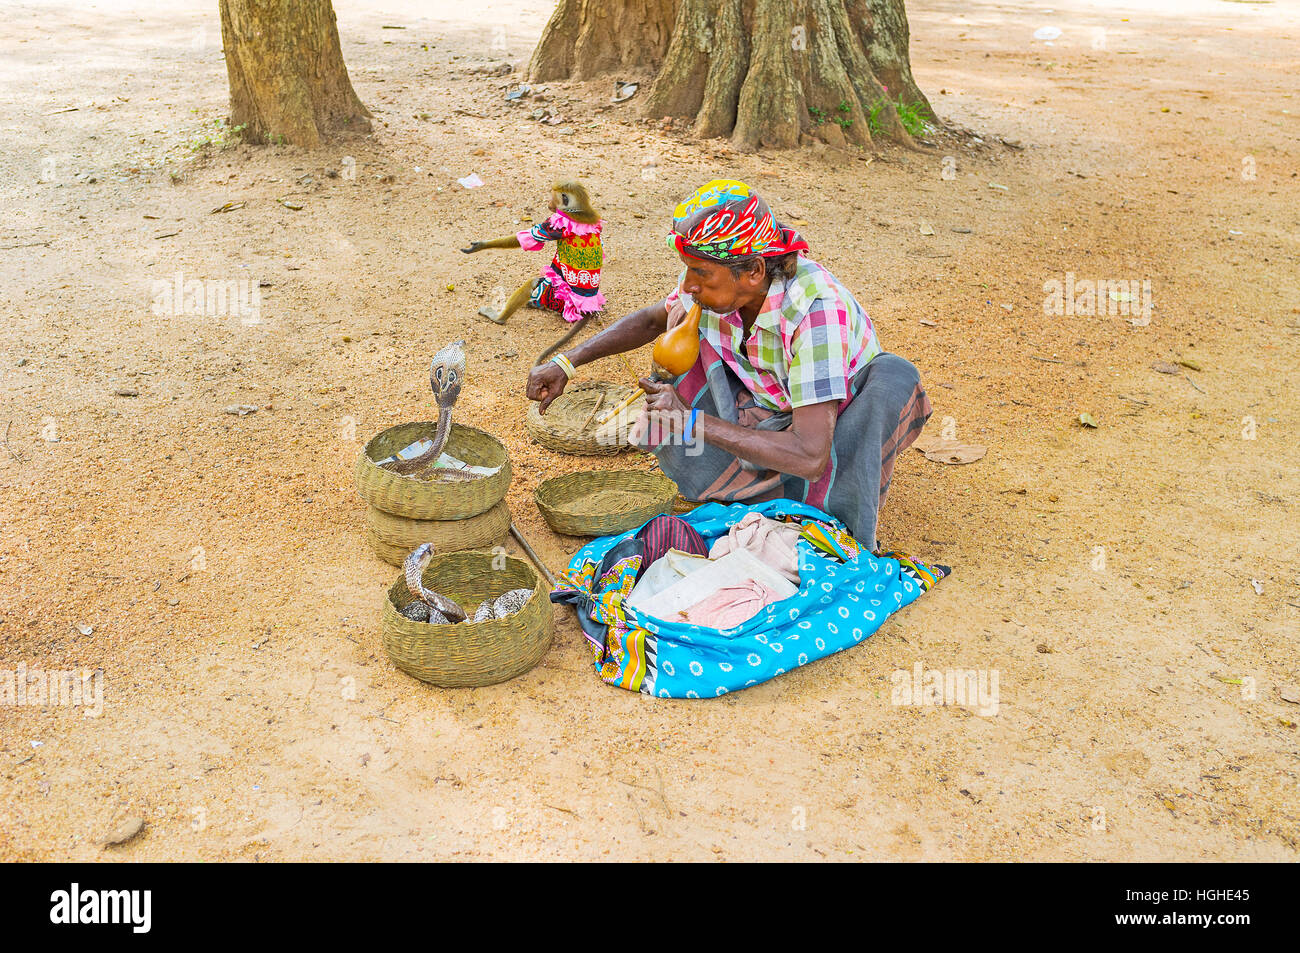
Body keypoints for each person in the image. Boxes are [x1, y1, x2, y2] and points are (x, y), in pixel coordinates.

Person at [526, 179, 932, 551]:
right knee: (679, 333)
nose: (688, 285)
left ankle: (821, 504)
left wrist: (692, 423)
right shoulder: (723, 287)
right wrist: (567, 362)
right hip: (764, 404)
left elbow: (810, 455)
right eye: (688, 271)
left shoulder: (817, 312)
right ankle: (750, 481)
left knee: (885, 384)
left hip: (826, 425)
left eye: (700, 273)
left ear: (754, 271)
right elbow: (653, 320)